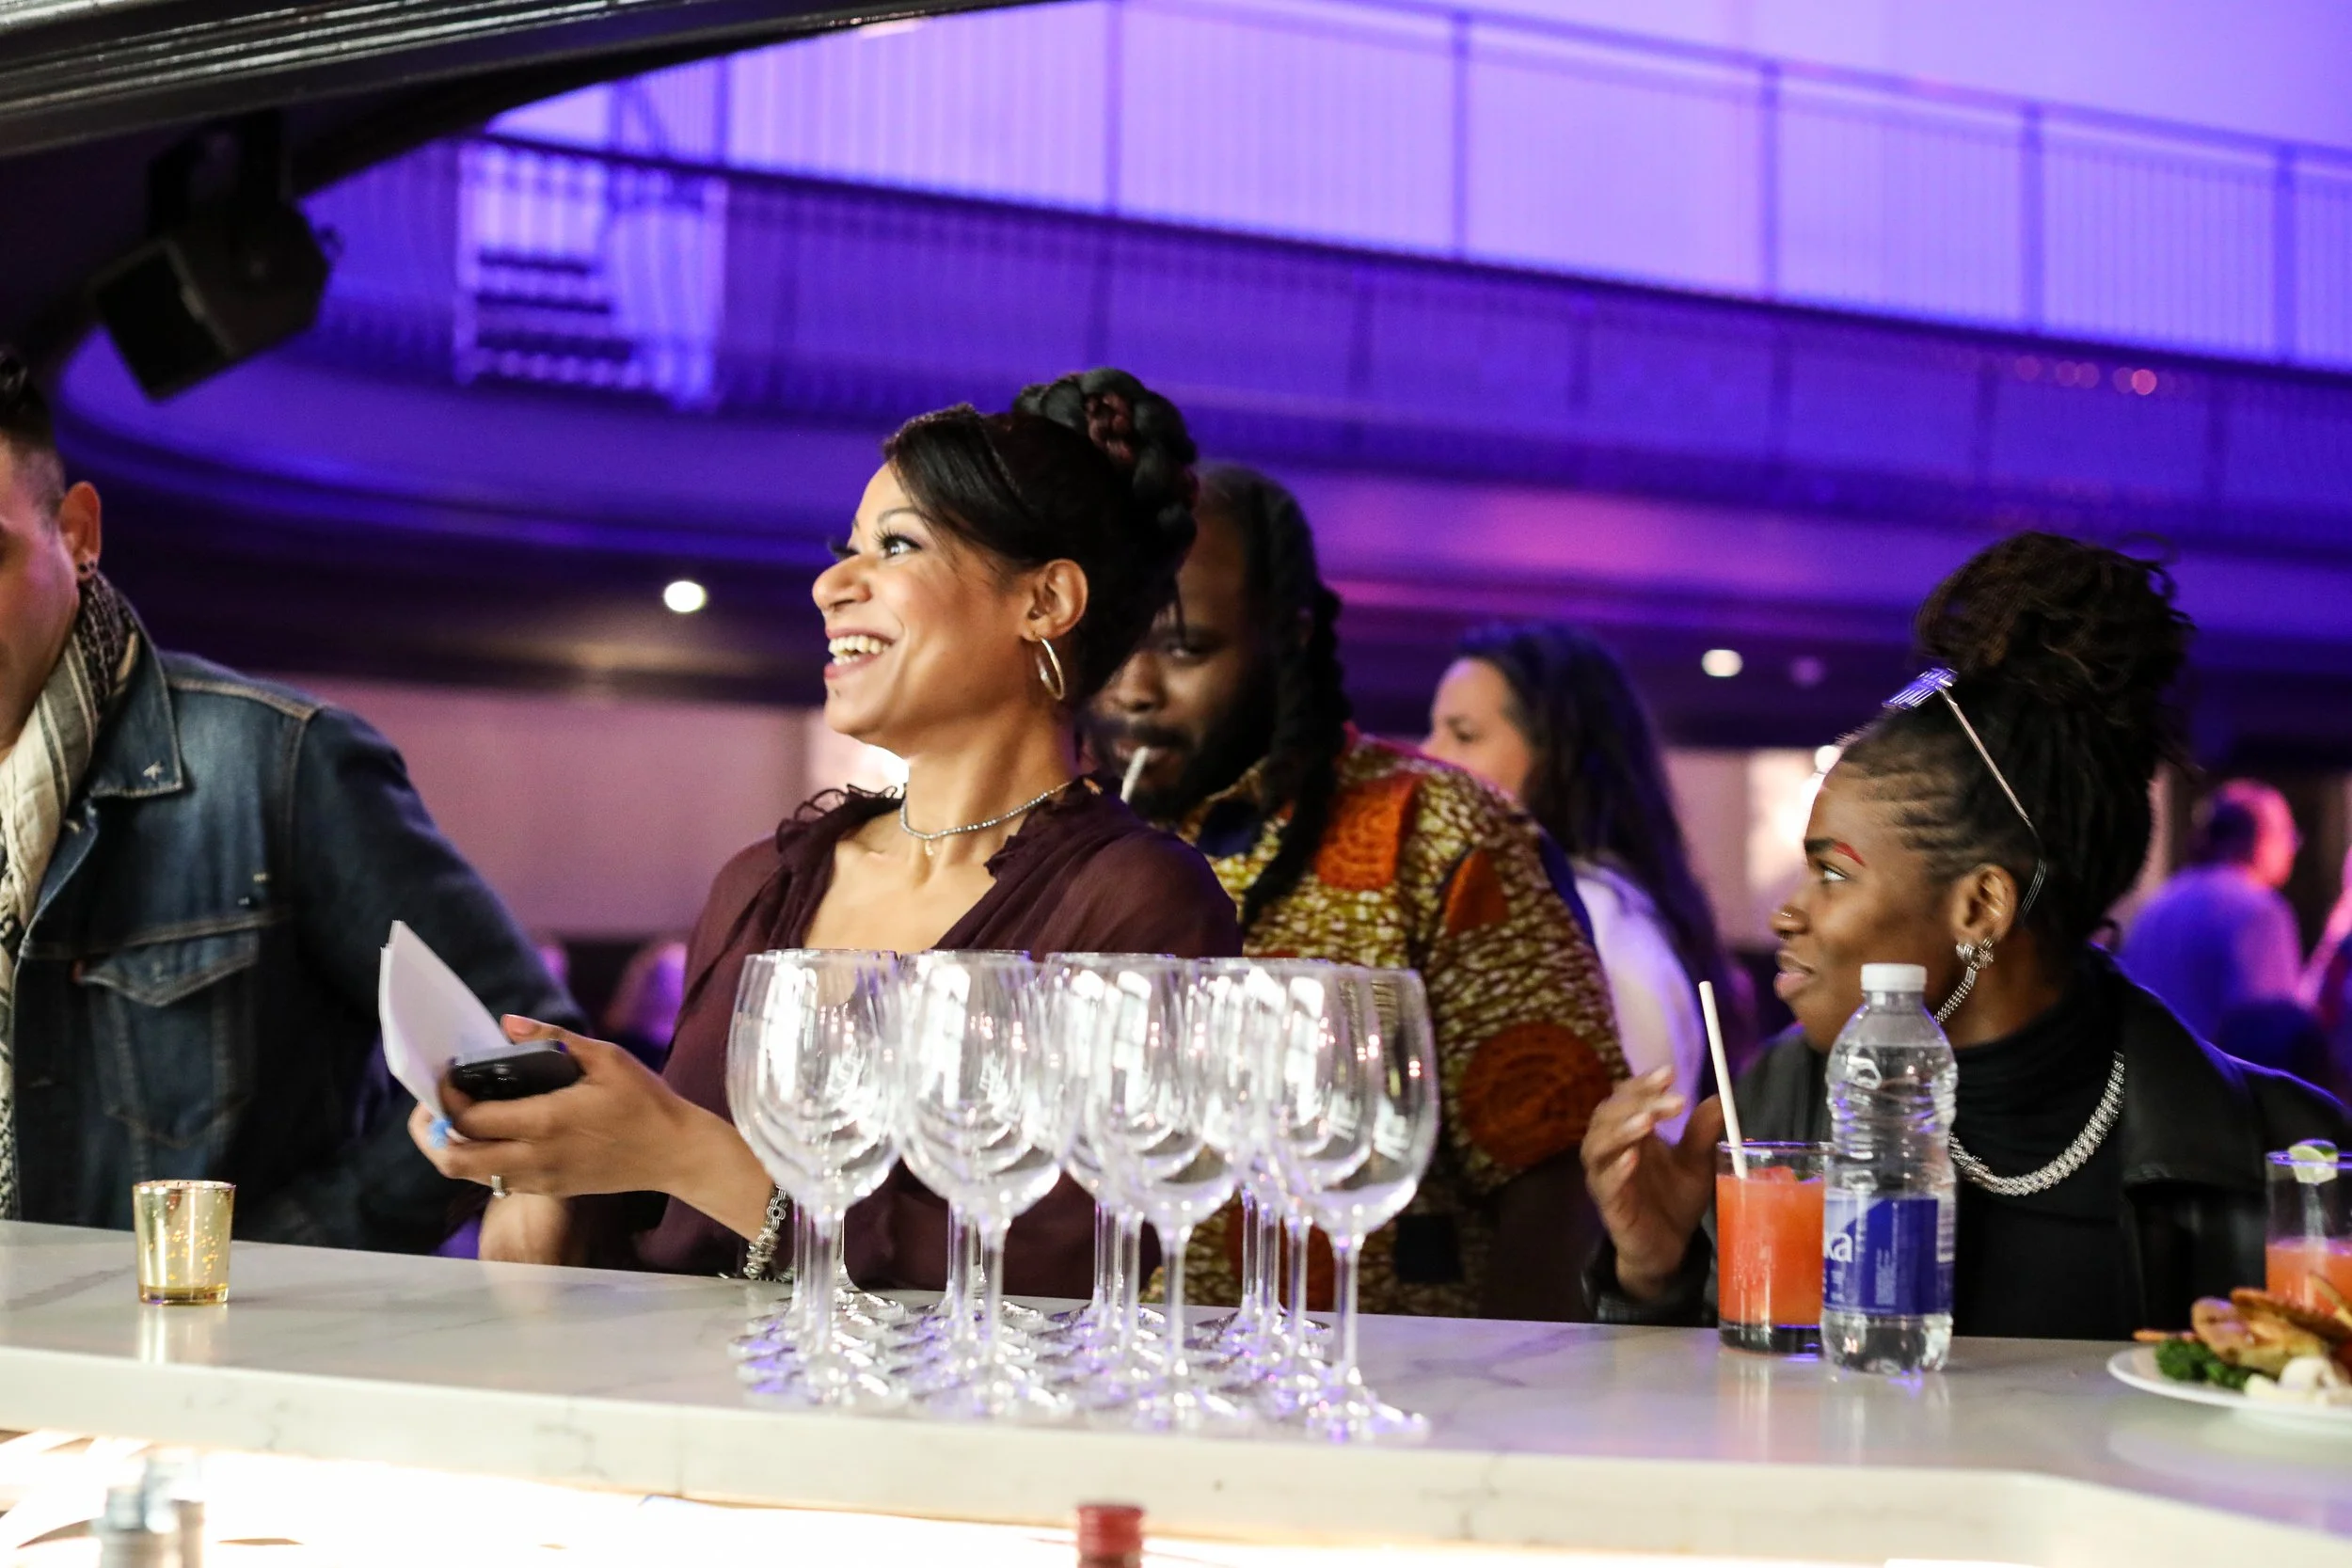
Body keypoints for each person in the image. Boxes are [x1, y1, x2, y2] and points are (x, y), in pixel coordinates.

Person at [409, 370, 1242, 1292]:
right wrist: (543, 1165)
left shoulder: (1137, 903)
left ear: (1044, 601)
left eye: (897, 545)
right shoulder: (766, 880)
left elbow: (1062, 1268)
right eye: (847, 549)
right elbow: (645, 1243)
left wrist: (690, 1152)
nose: (830, 584)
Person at [1581, 531, 2350, 1339]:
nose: (1786, 912)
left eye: (1832, 872)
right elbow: (1714, 1409)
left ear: (1981, 906)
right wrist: (1653, 1274)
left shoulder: (2287, 1155)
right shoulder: (1779, 1107)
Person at [0, 347, 579, 1250]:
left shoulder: (278, 761)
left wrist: (283, 1253)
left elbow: (524, 1055)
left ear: (76, 532)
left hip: (204, 1333)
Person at [1089, 464, 1627, 1320]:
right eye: (1114, 640)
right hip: (1102, 1366)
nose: (1134, 688)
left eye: (1186, 648)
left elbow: (1558, 1168)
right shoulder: (1066, 833)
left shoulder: (1439, 829)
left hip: (1378, 1372)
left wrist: (1516, 1385)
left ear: (1290, 637)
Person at [1422, 620, 1733, 1130]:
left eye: (1464, 735)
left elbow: (1638, 1143)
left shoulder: (1589, 918)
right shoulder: (1573, 903)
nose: (1429, 756)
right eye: (1435, 730)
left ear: (1557, 752)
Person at [2120, 779, 2304, 1044]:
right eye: (2288, 835)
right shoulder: (2258, 911)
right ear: (2260, 839)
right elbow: (2269, 1036)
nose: (2291, 850)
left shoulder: (2160, 903)